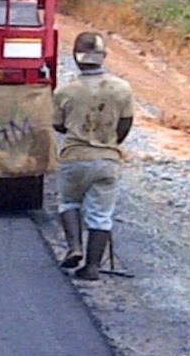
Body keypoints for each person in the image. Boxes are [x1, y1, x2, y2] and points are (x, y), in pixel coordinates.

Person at [52, 31, 135, 280]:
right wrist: (110, 142)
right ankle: (92, 268)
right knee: (101, 214)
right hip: (107, 158)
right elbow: (125, 124)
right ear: (103, 57)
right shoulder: (122, 88)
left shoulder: (66, 91)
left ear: (76, 59)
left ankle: (74, 246)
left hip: (75, 156)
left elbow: (58, 126)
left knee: (69, 202)